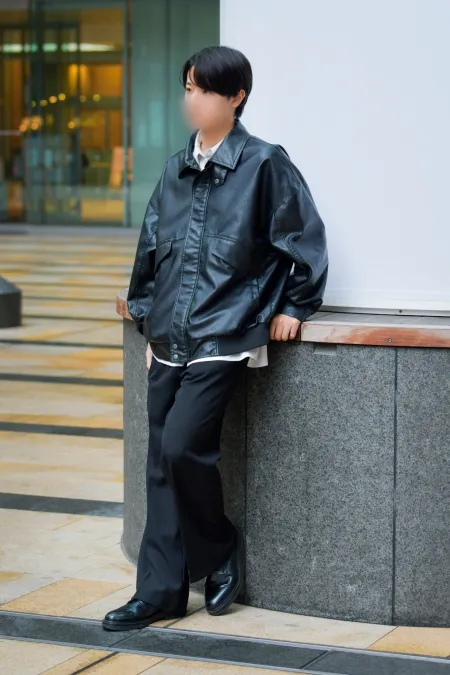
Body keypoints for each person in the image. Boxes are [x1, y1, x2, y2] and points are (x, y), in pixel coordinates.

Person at [103, 45, 328, 631]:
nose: (192, 99)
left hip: (225, 333)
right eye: (188, 87)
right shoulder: (175, 170)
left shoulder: (264, 163)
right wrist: (147, 318)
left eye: (204, 89)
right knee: (161, 462)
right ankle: (159, 593)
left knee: (182, 447)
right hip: (169, 338)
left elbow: (303, 236)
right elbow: (150, 250)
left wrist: (295, 305)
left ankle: (219, 546)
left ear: (236, 97)